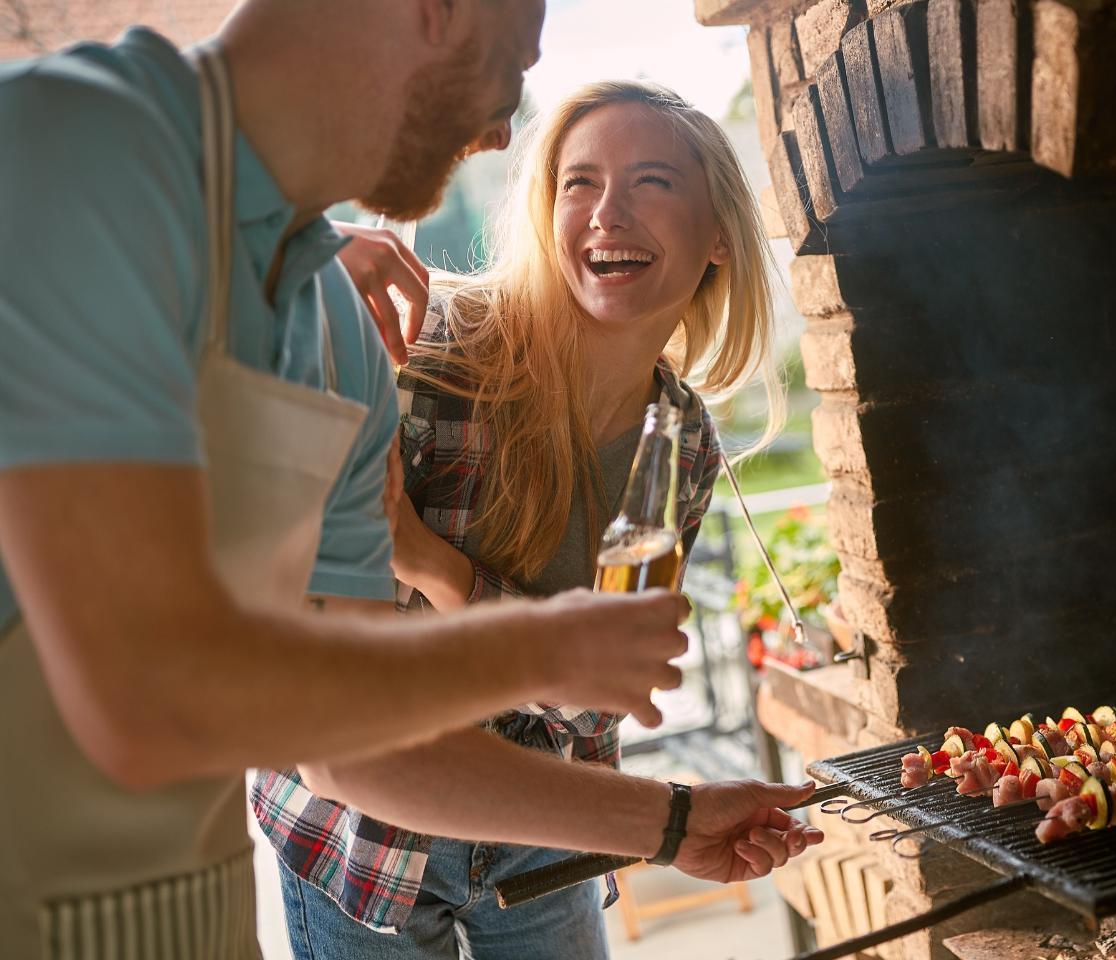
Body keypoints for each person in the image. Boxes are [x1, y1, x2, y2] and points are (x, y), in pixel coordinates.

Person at [0, 3, 816, 957]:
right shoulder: (62, 152)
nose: (504, 131)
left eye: (650, 182)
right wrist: (540, 647)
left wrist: (674, 821)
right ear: (440, 12)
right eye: (514, 66)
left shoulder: (332, 320)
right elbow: (153, 701)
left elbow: (348, 743)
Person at [254, 79, 794, 958]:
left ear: (722, 237)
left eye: (652, 181)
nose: (606, 213)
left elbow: (593, 700)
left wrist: (433, 564)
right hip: (360, 835)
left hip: (550, 824)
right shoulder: (427, 354)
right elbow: (353, 710)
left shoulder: (682, 441)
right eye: (578, 182)